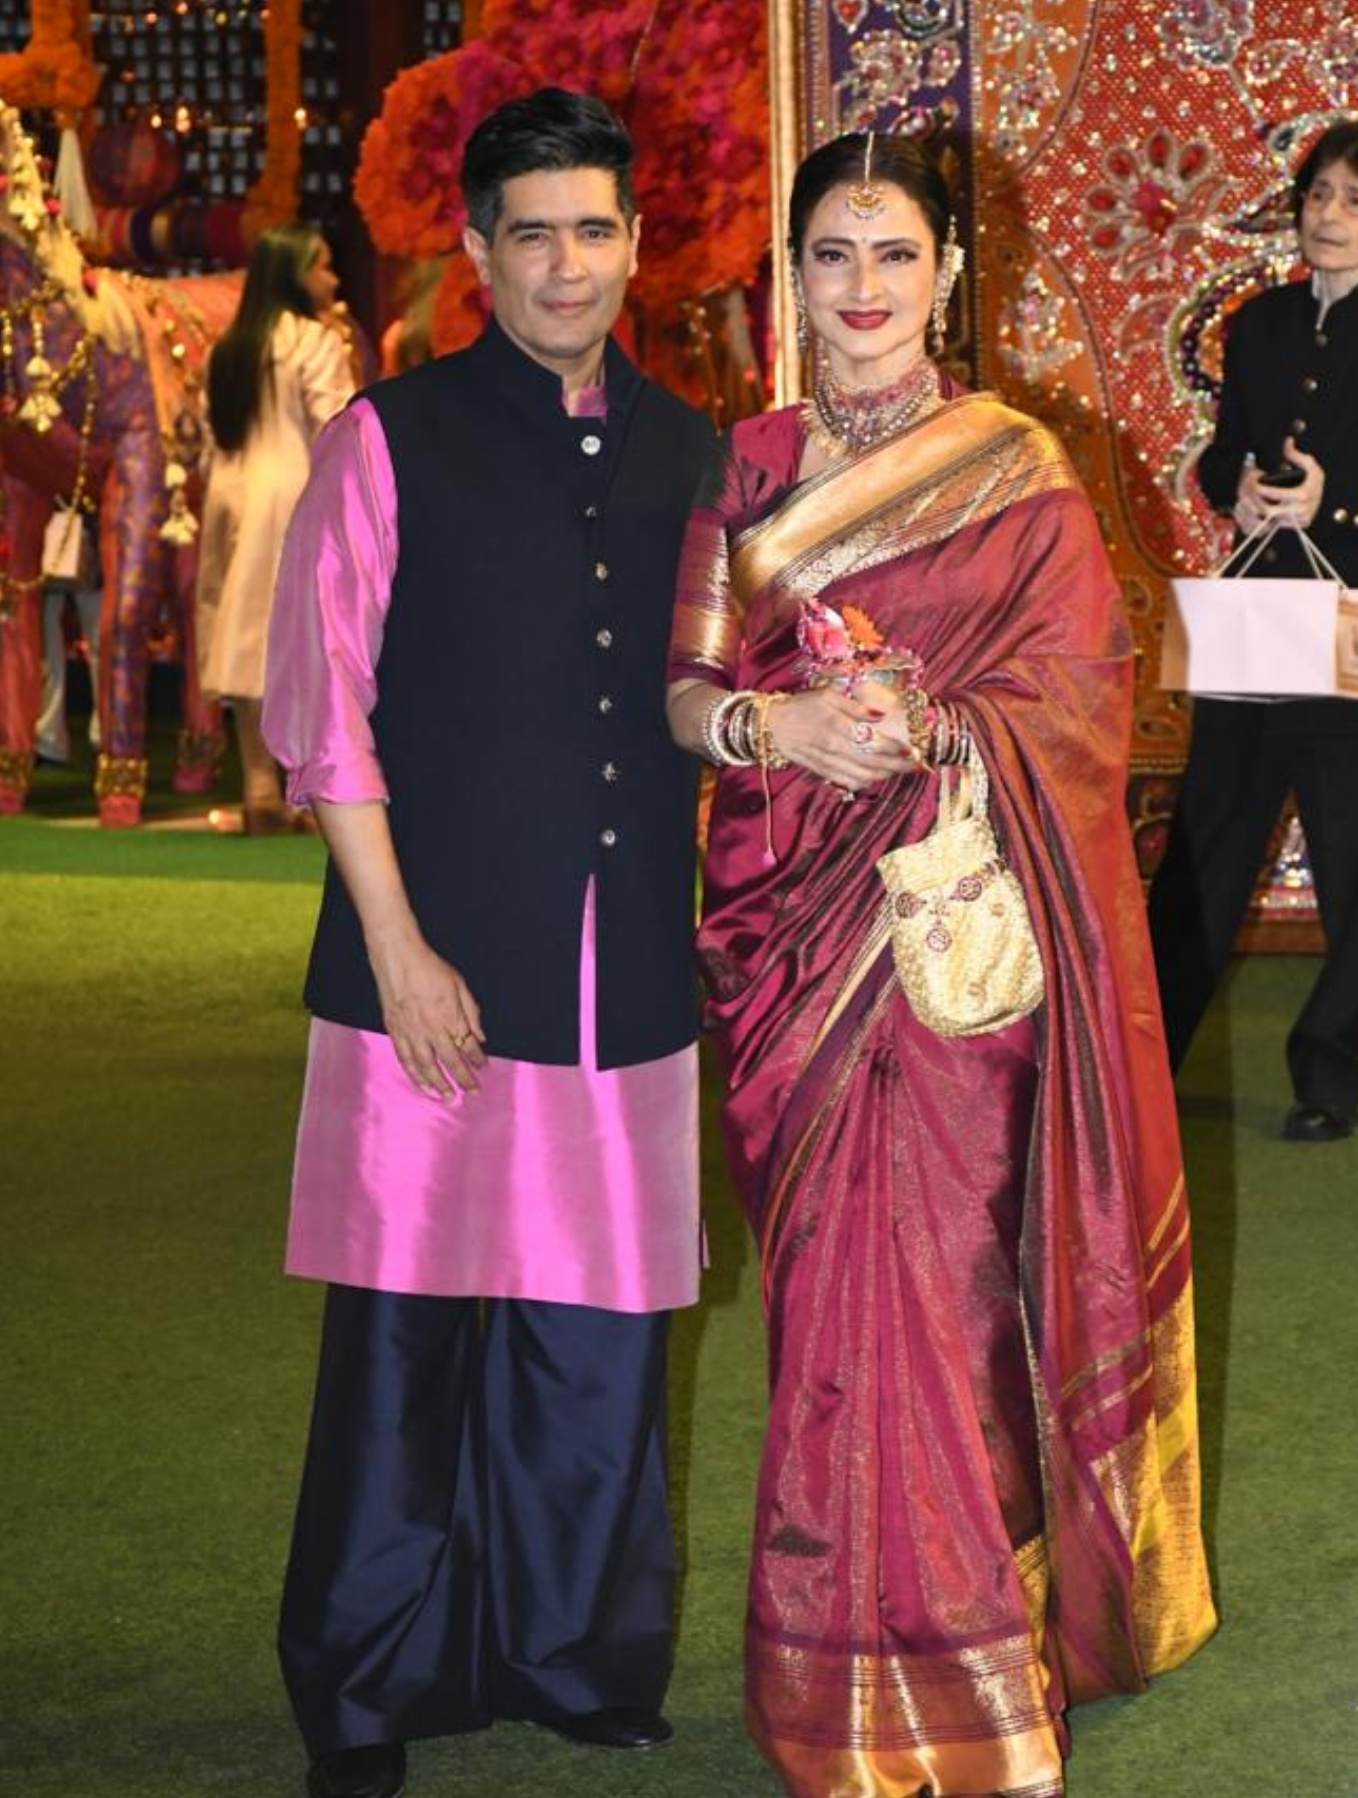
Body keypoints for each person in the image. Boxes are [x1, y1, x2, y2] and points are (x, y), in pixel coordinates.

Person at [666, 131, 1216, 1798]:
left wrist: (932, 729)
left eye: (894, 254)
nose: (863, 290)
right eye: (831, 254)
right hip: (792, 941)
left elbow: (1085, 697)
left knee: (952, 1304)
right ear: (791, 275)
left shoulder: (1021, 468)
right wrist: (782, 720)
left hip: (956, 935)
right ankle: (837, 1678)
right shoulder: (744, 467)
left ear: (950, 277)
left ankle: (976, 1677)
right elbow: (685, 692)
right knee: (833, 1309)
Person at [262, 89, 714, 1798]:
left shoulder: (693, 450)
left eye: (594, 228)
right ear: (476, 248)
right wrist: (397, 944)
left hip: (622, 981)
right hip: (426, 975)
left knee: (599, 1341)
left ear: (633, 245)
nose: (566, 264)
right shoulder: (391, 435)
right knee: (404, 1348)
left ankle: (576, 1654)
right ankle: (365, 1690)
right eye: (532, 231)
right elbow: (325, 713)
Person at [1147, 120, 1358, 1142]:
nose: (1328, 215)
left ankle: (1328, 1078)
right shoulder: (1260, 323)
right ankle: (1145, 1069)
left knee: (1352, 861)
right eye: (1319, 194)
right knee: (1205, 845)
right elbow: (1218, 458)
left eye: (1355, 201)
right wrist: (1247, 494)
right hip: (1254, 611)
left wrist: (1333, 503)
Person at [196, 223, 354, 831]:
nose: (332, 280)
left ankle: (259, 787)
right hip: (296, 495)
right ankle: (304, 791)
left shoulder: (228, 347)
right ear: (294, 274)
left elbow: (214, 435)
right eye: (322, 267)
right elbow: (337, 427)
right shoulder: (314, 341)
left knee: (244, 637)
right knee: (305, 642)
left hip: (232, 496)